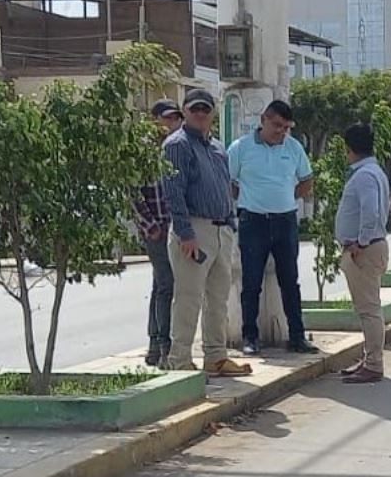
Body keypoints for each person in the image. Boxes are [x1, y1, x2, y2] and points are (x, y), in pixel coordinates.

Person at [161, 89, 252, 378]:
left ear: (212, 112)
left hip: (221, 228)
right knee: (188, 297)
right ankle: (180, 361)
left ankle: (216, 356)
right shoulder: (177, 144)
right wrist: (185, 234)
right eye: (194, 109)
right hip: (194, 229)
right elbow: (173, 192)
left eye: (205, 109)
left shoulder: (217, 147)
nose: (200, 114)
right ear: (185, 112)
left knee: (218, 297)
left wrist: (230, 225)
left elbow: (225, 187)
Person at [227, 98, 318, 356]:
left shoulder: (293, 147)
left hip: (285, 221)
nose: (281, 131)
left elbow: (307, 179)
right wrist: (247, 199)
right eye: (277, 125)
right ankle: (250, 337)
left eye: (286, 127)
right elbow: (228, 181)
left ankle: (297, 336)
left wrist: (289, 197)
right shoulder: (241, 148)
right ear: (263, 120)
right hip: (252, 221)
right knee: (252, 281)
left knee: (290, 281)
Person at [335, 122, 391, 384]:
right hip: (367, 247)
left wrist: (361, 243)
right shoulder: (373, 171)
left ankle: (374, 364)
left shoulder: (365, 175)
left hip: (364, 250)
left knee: (368, 309)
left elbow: (371, 212)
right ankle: (369, 358)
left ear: (349, 149)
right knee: (367, 307)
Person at [133, 99, 184, 365]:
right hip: (156, 230)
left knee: (160, 285)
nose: (172, 124)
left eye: (176, 118)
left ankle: (155, 344)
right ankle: (163, 346)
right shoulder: (143, 152)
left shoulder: (177, 150)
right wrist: (150, 226)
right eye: (167, 118)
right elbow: (133, 195)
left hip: (176, 228)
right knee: (167, 285)